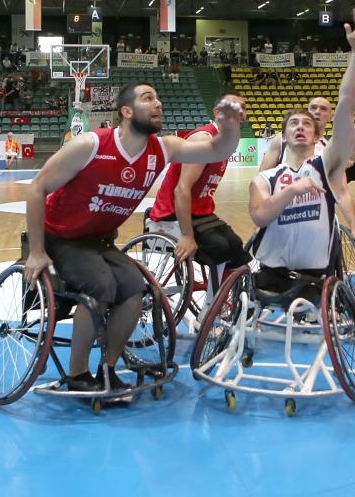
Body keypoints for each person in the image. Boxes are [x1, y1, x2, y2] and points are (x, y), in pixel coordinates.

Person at [23, 83, 243, 392]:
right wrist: (35, 252)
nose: (158, 104)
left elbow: (218, 149)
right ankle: (76, 374)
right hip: (61, 237)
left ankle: (108, 367)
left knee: (134, 288)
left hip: (99, 240)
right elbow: (36, 189)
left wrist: (231, 126)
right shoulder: (91, 144)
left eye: (158, 98)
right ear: (126, 111)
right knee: (100, 285)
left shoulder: (163, 148)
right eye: (148, 98)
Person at [250, 11, 355, 292]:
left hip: (315, 270)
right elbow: (258, 212)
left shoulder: (324, 164)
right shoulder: (266, 177)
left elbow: (347, 102)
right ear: (283, 134)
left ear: (318, 133)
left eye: (307, 123)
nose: (300, 127)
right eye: (293, 122)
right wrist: (291, 191)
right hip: (273, 266)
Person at [147, 93, 251, 278]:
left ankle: (228, 296)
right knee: (219, 247)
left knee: (235, 244)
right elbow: (181, 189)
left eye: (243, 107)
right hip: (172, 213)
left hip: (200, 213)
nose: (241, 112)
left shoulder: (225, 141)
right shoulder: (203, 139)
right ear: (217, 112)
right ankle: (213, 304)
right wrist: (187, 236)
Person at [259, 95, 355, 241]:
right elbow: (261, 178)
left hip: (316, 218)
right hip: (282, 214)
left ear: (330, 116)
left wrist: (354, 227)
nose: (317, 111)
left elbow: (342, 193)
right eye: (313, 108)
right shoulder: (282, 139)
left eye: (323, 109)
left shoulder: (332, 151)